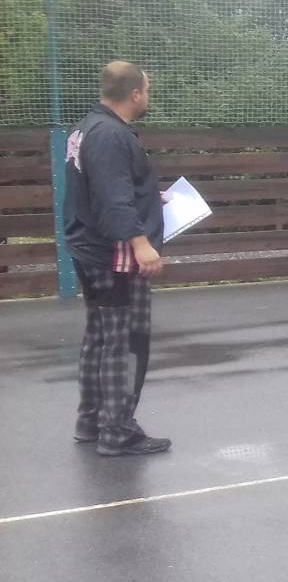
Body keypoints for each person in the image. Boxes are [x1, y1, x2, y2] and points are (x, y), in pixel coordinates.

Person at [62, 60, 171, 456]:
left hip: (89, 247)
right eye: (147, 90)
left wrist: (149, 198)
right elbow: (111, 199)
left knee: (100, 336)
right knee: (124, 341)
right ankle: (118, 431)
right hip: (114, 253)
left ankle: (90, 421)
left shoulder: (86, 128)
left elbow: (105, 188)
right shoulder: (111, 134)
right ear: (135, 94)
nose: (148, 96)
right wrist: (141, 244)